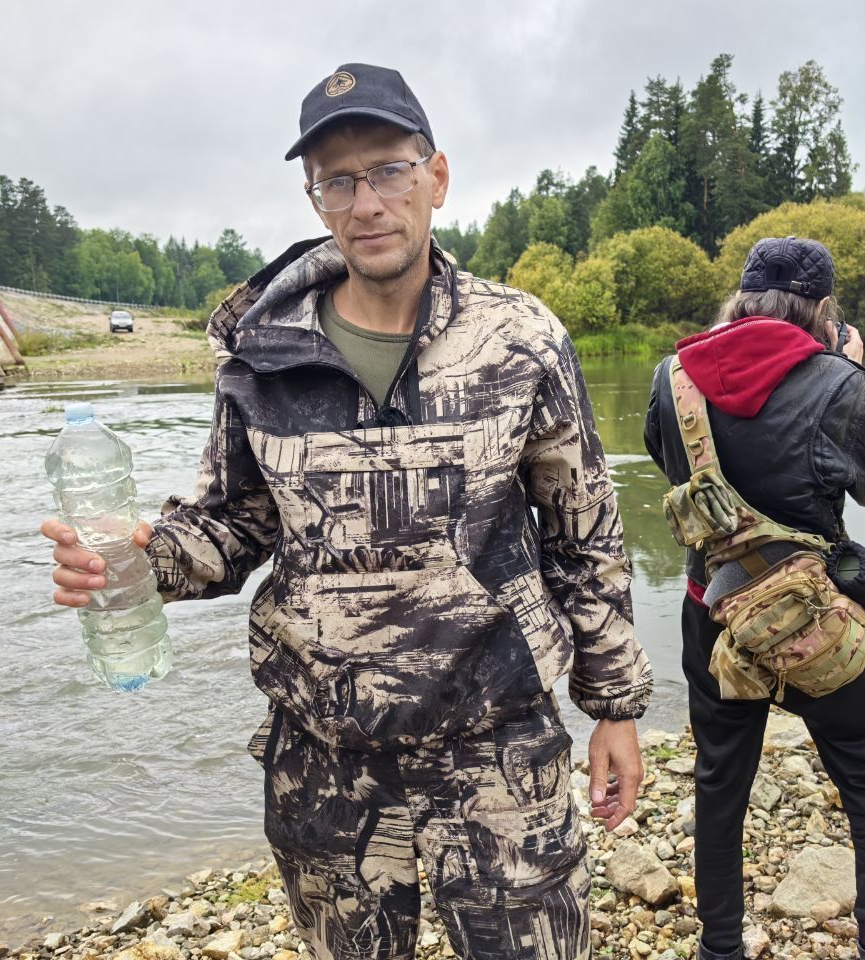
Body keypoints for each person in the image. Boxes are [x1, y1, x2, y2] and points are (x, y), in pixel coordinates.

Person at [42, 62, 652, 960]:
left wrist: (615, 706)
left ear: (436, 177)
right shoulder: (263, 355)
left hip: (497, 741)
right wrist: (140, 559)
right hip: (325, 758)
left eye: (389, 171)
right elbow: (233, 522)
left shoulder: (520, 339)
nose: (367, 202)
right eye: (337, 180)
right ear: (316, 199)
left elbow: (582, 531)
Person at [644, 237, 865, 960]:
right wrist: (857, 371)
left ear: (742, 300)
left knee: (720, 780)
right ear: (825, 308)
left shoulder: (673, 378)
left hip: (712, 611)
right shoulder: (838, 383)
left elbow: (665, 457)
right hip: (814, 615)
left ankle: (720, 949)